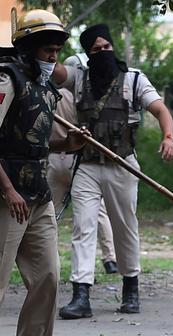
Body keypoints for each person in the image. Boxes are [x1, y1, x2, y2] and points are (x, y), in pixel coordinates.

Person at [0, 9, 85, 336]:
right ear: (28, 48)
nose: (53, 58)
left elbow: (32, 140)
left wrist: (67, 144)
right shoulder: (5, 79)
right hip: (3, 195)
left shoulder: (44, 86)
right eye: (48, 51)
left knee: (49, 277)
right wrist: (6, 188)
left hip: (38, 195)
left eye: (56, 51)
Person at [53, 23, 173, 319]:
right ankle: (80, 294)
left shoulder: (133, 79)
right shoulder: (79, 78)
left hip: (122, 165)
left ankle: (130, 288)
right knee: (83, 226)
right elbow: (54, 71)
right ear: (87, 53)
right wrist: (42, 46)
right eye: (96, 50)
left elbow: (160, 110)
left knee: (124, 227)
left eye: (107, 47)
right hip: (87, 166)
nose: (103, 53)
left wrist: (168, 137)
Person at [47, 56, 117, 277]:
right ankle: (110, 258)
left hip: (56, 158)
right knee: (99, 211)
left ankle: (48, 255)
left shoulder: (49, 94)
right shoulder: (85, 97)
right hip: (81, 160)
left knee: (50, 211)